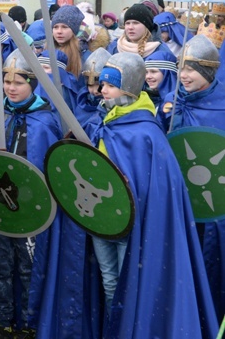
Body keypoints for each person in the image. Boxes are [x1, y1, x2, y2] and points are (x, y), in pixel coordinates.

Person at [88, 51, 217, 338]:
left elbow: (155, 187)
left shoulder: (146, 131)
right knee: (109, 283)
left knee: (128, 284)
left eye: (109, 85)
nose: (102, 90)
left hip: (131, 224)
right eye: (102, 84)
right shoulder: (106, 120)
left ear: (129, 88)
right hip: (99, 217)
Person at [0, 50, 62, 339]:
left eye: (19, 82)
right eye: (7, 82)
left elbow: (50, 172)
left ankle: (28, 322)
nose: (11, 88)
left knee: (28, 269)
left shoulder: (46, 120)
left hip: (30, 212)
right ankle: (1, 321)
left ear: (33, 84)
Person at [156, 35, 225, 322]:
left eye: (191, 69)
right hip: (181, 201)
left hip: (215, 208)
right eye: (180, 68)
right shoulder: (173, 103)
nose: (183, 76)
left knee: (211, 266)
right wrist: (162, 117)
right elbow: (162, 149)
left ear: (208, 72)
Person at [107, 4, 173, 62]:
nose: (130, 27)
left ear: (147, 26)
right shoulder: (114, 47)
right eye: (127, 23)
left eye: (136, 23)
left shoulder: (161, 51)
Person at [49, 4, 87, 77]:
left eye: (64, 27)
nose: (59, 31)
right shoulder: (45, 52)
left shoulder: (84, 56)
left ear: (74, 31)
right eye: (55, 27)